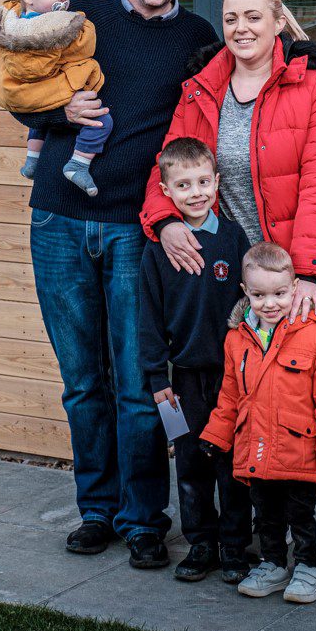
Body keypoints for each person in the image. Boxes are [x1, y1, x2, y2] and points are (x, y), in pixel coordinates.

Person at [140, 0, 316, 595]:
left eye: (254, 17)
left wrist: (308, 275)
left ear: (277, 23)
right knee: (244, 408)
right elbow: (168, 168)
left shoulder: (313, 88)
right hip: (225, 283)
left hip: (295, 278)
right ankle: (263, 546)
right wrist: (163, 222)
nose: (241, 28)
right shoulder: (201, 90)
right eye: (232, 17)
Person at [23, 0, 218, 568]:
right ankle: (96, 510)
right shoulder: (79, 15)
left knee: (139, 384)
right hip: (57, 219)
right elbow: (18, 82)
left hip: (136, 228)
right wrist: (56, 115)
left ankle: (143, 517)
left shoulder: (197, 38)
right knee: (82, 381)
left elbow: (227, 102)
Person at [201, 242, 316, 603]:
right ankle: (273, 564)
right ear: (245, 292)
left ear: (296, 289)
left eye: (279, 294)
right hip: (256, 448)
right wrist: (216, 436)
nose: (269, 303)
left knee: (300, 515)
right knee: (267, 515)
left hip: (300, 450)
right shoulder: (238, 341)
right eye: (258, 295)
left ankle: (308, 567)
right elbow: (229, 396)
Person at [137, 137, 254, 584]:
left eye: (204, 181)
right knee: (190, 462)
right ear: (166, 191)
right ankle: (200, 542)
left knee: (232, 463)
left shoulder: (232, 237)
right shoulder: (157, 251)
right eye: (184, 185)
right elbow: (148, 319)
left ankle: (235, 546)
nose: (197, 192)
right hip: (181, 381)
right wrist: (155, 377)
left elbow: (251, 304)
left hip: (231, 378)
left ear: (217, 182)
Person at [0, 0, 113, 196]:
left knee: (40, 117)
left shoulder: (16, 23)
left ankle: (33, 158)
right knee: (101, 122)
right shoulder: (52, 26)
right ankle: (78, 163)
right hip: (54, 197)